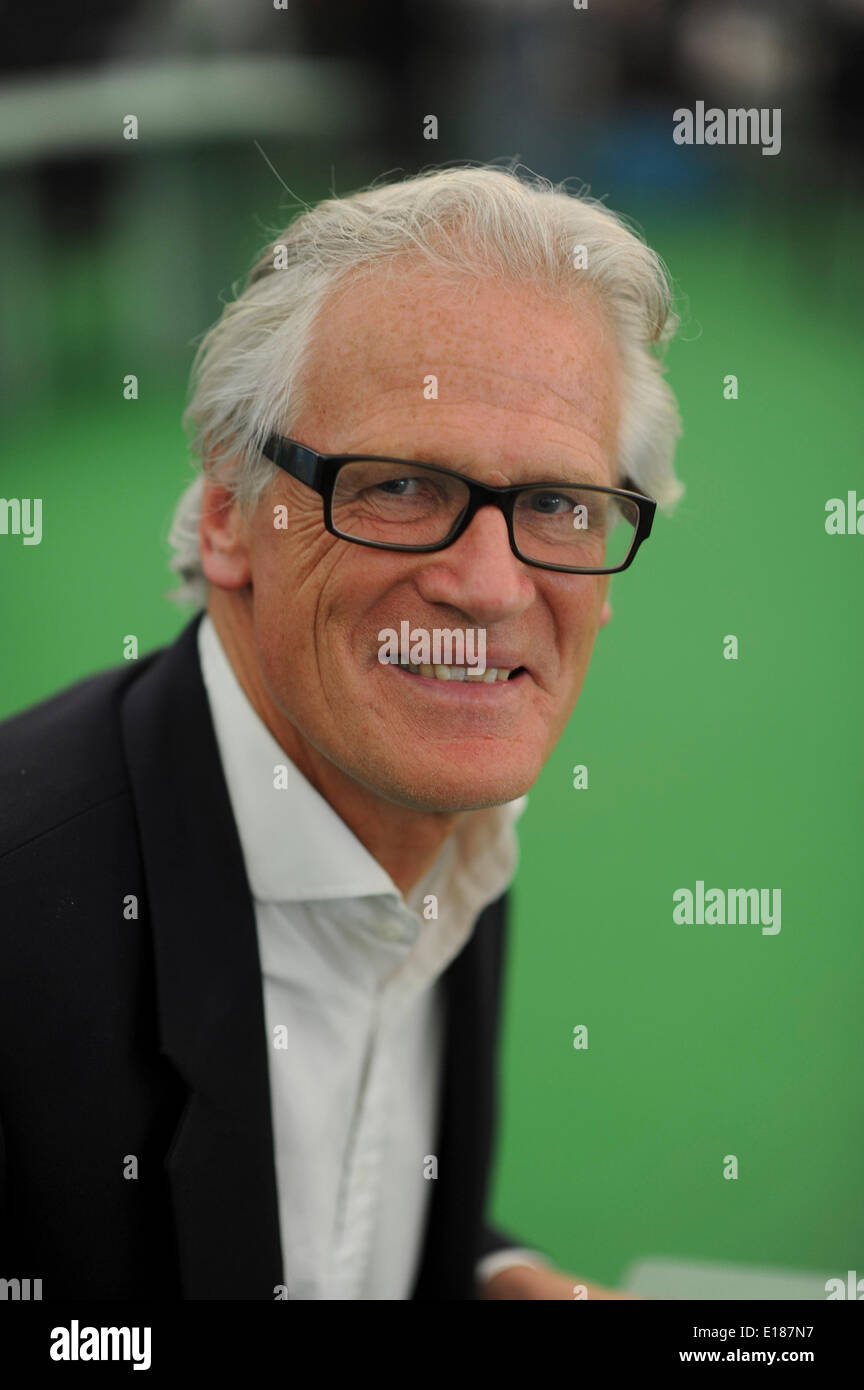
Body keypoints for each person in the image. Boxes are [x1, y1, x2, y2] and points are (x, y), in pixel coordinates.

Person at [0, 165, 682, 1300]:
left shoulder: (437, 814)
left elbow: (301, 1196)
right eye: (403, 485)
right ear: (227, 515)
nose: (489, 586)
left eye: (558, 505)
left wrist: (493, 1276)